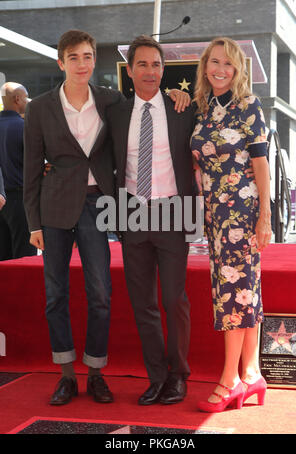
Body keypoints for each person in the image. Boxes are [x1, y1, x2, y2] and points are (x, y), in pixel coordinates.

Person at [24, 29, 189, 406]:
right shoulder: (46, 108)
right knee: (57, 294)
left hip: (117, 206)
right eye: (74, 57)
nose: (82, 64)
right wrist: (32, 222)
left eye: (87, 56)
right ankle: (68, 375)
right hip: (74, 210)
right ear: (60, 62)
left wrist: (178, 93)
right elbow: (33, 169)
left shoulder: (113, 102)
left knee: (110, 293)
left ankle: (108, 373)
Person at [106, 35, 196, 406]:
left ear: (164, 70)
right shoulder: (115, 113)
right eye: (141, 64)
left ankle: (178, 375)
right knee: (142, 302)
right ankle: (156, 377)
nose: (149, 71)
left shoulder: (183, 108)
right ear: (129, 71)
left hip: (174, 211)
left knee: (174, 299)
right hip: (132, 213)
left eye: (156, 65)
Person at [190, 37, 272, 412]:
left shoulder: (247, 106)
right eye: (214, 62)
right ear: (205, 66)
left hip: (241, 213)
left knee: (233, 295)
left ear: (238, 71)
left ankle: (230, 380)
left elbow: (260, 164)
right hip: (215, 216)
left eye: (228, 64)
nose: (220, 69)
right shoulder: (204, 108)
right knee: (243, 290)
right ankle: (252, 373)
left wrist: (264, 217)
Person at [0, 82, 37, 261]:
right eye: (25, 98)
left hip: (2, 199)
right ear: (17, 99)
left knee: (3, 256)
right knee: (24, 258)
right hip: (20, 201)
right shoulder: (24, 128)